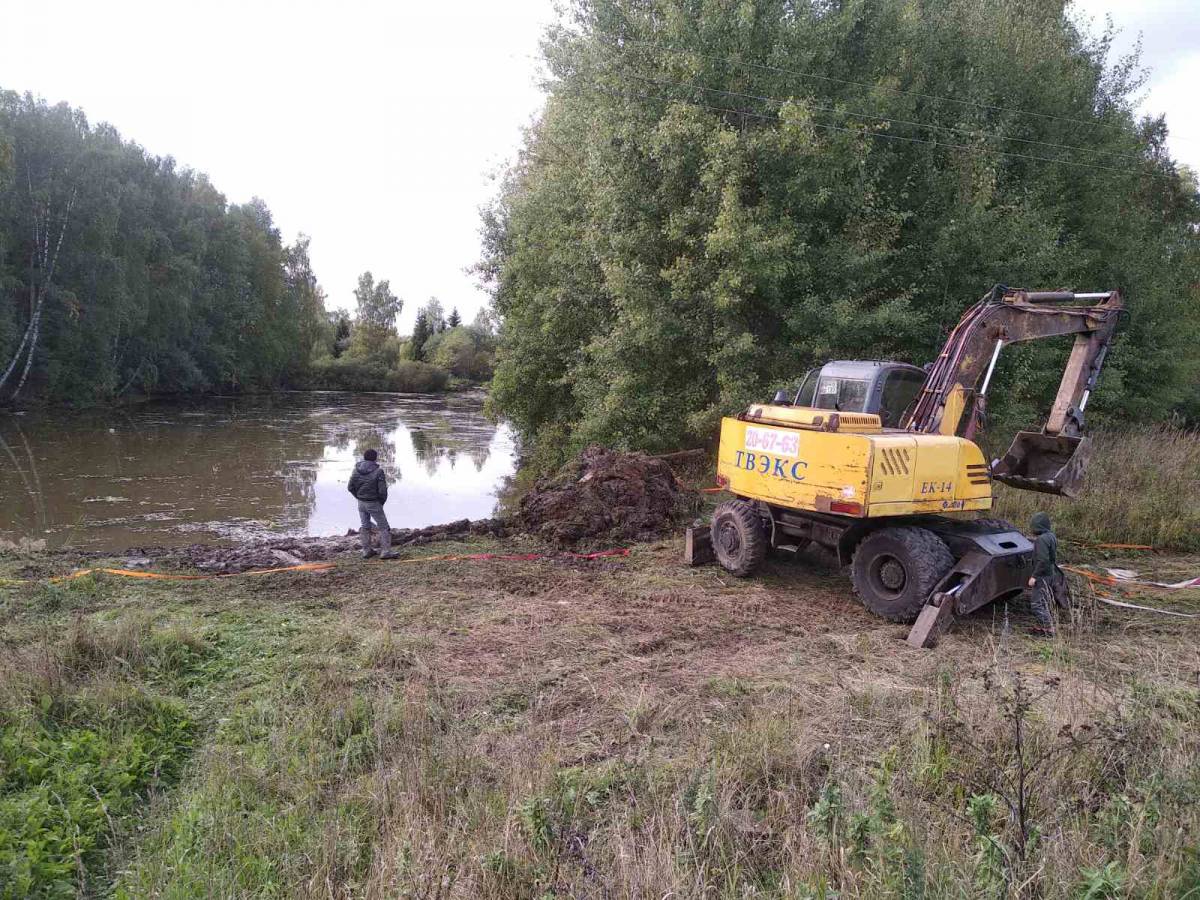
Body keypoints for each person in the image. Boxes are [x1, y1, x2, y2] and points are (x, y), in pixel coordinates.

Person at [348, 448, 395, 559]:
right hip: (373, 502)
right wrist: (380, 503)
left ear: (364, 457)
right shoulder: (378, 471)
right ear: (375, 458)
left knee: (365, 526)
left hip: (361, 502)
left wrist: (358, 497)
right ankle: (386, 552)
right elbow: (383, 491)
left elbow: (350, 487)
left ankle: (366, 551)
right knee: (384, 527)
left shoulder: (356, 470)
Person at [1026, 511, 1066, 636]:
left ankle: (1049, 628)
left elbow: (1042, 560)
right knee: (1044, 601)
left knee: (1037, 604)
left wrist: (1034, 576)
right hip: (1050, 573)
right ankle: (1045, 625)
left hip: (1042, 575)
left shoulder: (1041, 540)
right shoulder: (1051, 536)